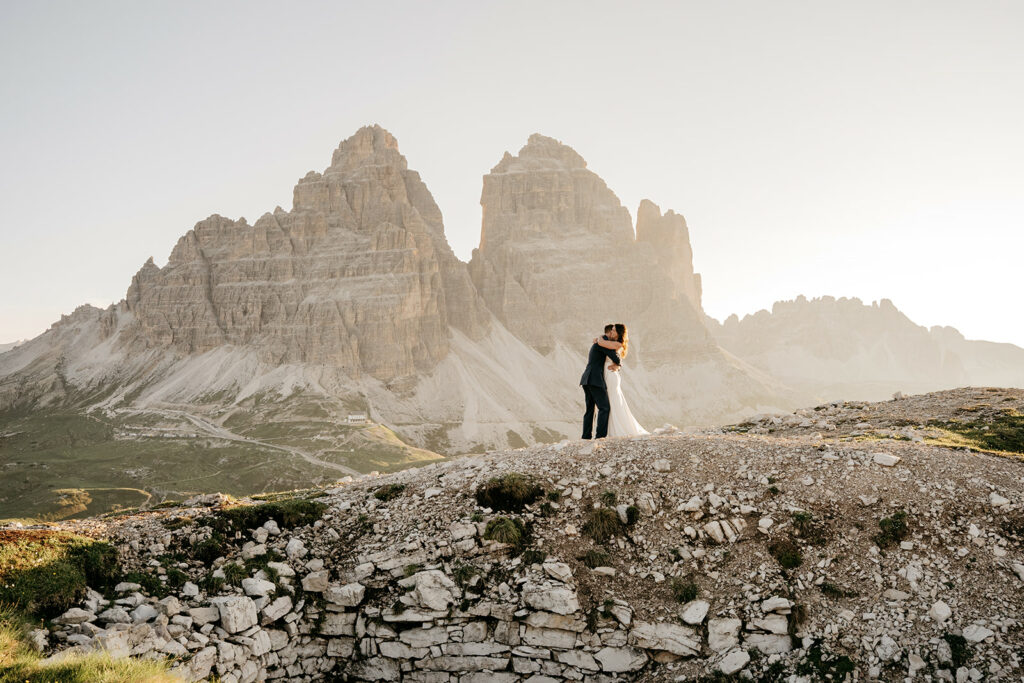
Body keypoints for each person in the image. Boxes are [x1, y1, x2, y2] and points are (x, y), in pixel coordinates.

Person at [593, 323, 649, 437]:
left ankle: (617, 429)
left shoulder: (617, 344)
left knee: (612, 401)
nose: (611, 332)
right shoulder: (614, 343)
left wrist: (599, 337)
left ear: (619, 333)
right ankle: (611, 429)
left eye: (613, 331)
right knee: (611, 401)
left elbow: (601, 342)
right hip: (608, 373)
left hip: (610, 375)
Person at [579, 324, 621, 439]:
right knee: (604, 408)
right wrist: (618, 364)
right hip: (595, 379)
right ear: (609, 333)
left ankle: (586, 437)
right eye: (612, 332)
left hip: (586, 379)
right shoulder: (604, 343)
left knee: (590, 409)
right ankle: (600, 437)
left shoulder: (598, 342)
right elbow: (616, 358)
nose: (613, 334)